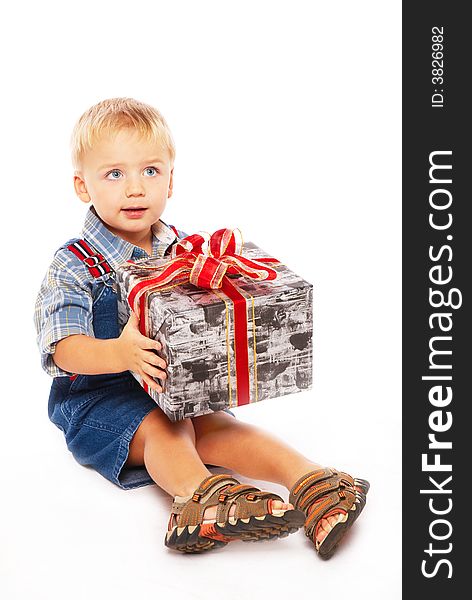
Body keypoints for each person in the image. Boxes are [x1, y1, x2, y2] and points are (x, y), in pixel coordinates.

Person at [34, 97, 369, 558]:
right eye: (115, 174)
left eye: (150, 171)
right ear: (82, 185)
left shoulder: (180, 248)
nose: (135, 189)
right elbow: (62, 348)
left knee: (213, 424)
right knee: (166, 429)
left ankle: (309, 481)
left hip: (171, 386)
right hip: (100, 398)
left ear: (171, 179)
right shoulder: (73, 266)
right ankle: (200, 497)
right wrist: (121, 354)